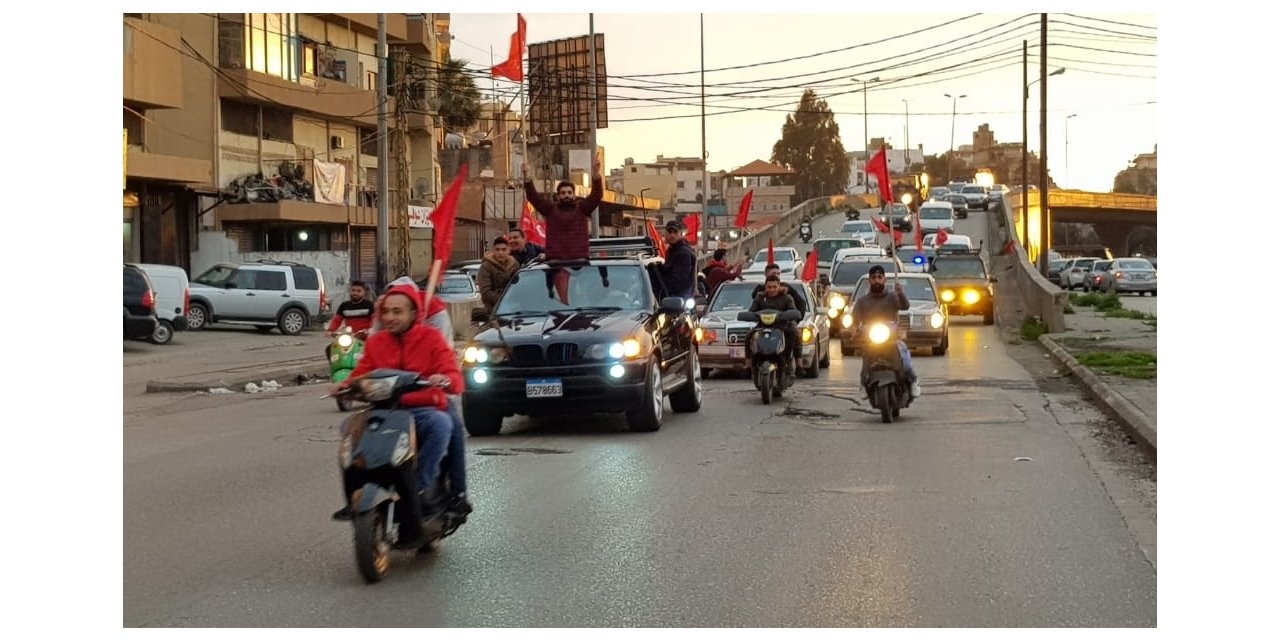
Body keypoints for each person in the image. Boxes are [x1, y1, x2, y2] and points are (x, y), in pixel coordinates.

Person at [331, 282, 470, 531]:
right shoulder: (376, 342)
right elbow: (362, 373)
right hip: (386, 409)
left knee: (442, 425)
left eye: (398, 312)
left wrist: (445, 379)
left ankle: (421, 486)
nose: (390, 317)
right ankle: (357, 488)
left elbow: (453, 375)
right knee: (348, 427)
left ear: (414, 314)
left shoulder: (431, 338)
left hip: (422, 407)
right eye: (386, 312)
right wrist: (344, 385)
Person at [850, 265, 920, 398]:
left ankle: (913, 381)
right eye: (874, 278)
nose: (877, 280)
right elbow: (855, 320)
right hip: (872, 339)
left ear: (884, 279)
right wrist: (854, 329)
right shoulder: (862, 301)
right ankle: (864, 384)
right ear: (870, 280)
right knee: (866, 359)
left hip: (891, 338)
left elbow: (905, 306)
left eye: (879, 277)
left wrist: (900, 293)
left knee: (903, 354)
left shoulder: (892, 297)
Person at [521, 160, 603, 262]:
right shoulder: (550, 209)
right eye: (563, 193)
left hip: (579, 260)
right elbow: (534, 197)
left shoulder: (582, 208)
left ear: (574, 195)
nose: (566, 195)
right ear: (558, 196)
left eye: (569, 192)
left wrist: (596, 174)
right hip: (555, 261)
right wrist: (527, 176)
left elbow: (596, 196)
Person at [749, 274, 803, 373]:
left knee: (793, 332)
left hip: (782, 326)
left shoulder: (786, 297)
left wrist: (788, 315)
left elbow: (793, 310)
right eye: (769, 287)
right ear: (765, 287)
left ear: (779, 286)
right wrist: (751, 315)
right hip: (763, 326)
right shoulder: (760, 297)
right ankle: (749, 364)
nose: (772, 289)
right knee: (749, 335)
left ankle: (794, 362)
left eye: (774, 287)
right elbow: (752, 311)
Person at [477, 235, 519, 315]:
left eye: (503, 249)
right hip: (494, 311)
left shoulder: (514, 264)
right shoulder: (486, 266)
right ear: (493, 250)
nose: (500, 252)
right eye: (497, 249)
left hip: (515, 309)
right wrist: (504, 300)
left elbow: (520, 286)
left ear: (509, 250)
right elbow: (486, 292)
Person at [658, 219, 697, 299]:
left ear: (680, 234)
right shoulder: (671, 250)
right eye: (669, 232)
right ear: (665, 234)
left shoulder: (683, 253)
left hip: (680, 299)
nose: (672, 235)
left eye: (675, 232)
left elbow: (678, 280)